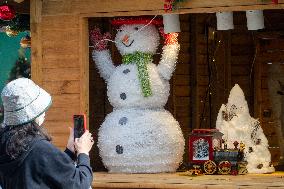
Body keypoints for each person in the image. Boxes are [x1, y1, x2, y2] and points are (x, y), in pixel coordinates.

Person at [0, 78, 94, 189]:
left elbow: (40, 170)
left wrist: (69, 151)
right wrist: (83, 153)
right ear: (34, 114)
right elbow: (80, 183)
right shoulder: (40, 149)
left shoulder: (5, 144)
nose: (44, 112)